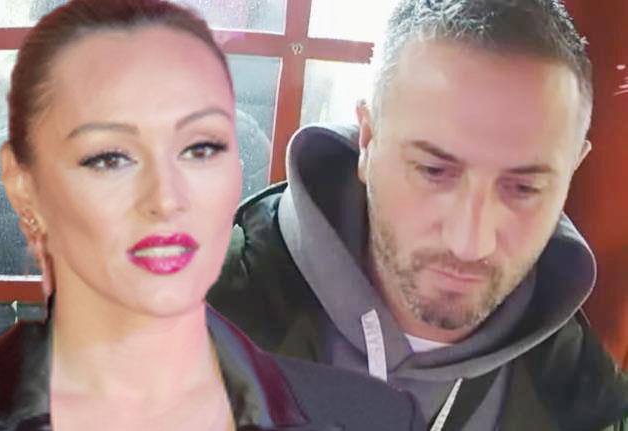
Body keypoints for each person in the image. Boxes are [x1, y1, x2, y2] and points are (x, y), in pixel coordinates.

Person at [0, 1, 424, 430]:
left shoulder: (374, 415)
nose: (167, 198)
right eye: (109, 158)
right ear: (23, 185)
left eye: (199, 149)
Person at [209, 0, 628, 429]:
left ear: (573, 169)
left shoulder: (582, 394)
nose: (470, 243)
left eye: (524, 188)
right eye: (433, 171)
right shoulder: (197, 325)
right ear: (368, 139)